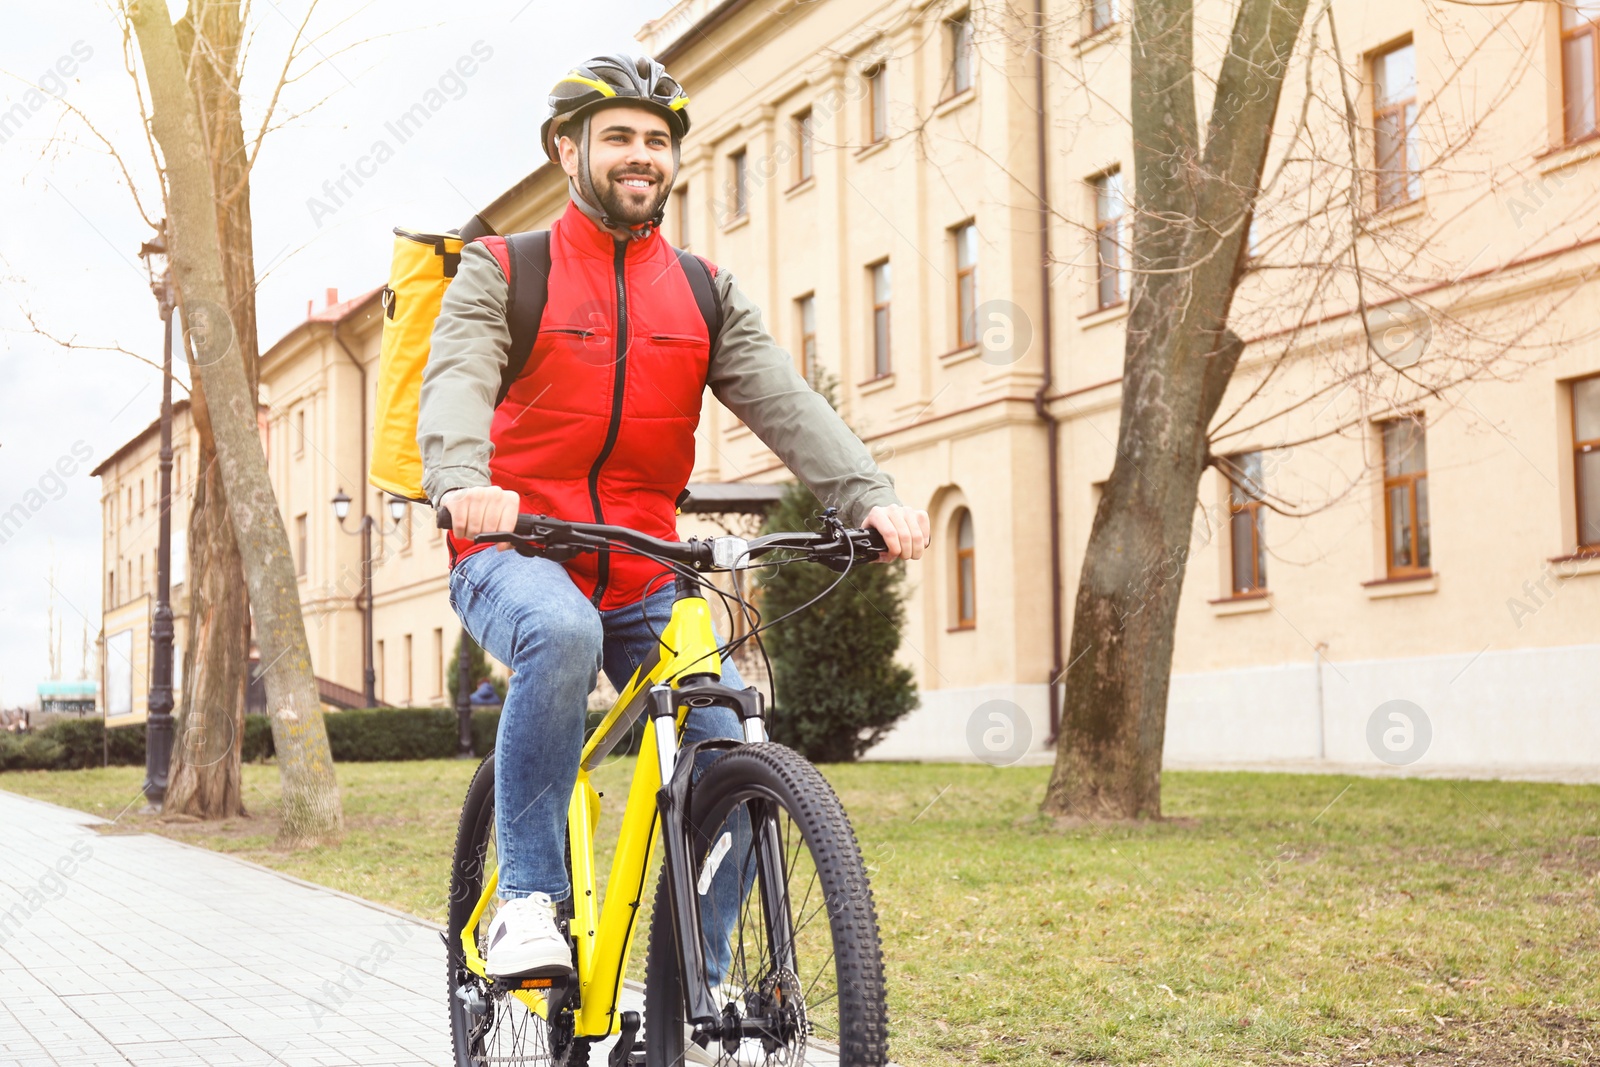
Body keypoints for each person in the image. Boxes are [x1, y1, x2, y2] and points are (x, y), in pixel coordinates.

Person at [418, 54, 930, 980]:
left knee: (729, 735)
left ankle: (695, 974)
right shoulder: (504, 271)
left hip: (646, 560)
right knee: (560, 628)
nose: (641, 154)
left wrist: (868, 495)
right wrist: (462, 482)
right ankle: (528, 902)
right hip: (512, 545)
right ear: (566, 149)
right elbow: (454, 381)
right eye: (618, 136)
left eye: (657, 140)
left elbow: (783, 399)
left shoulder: (701, 289)